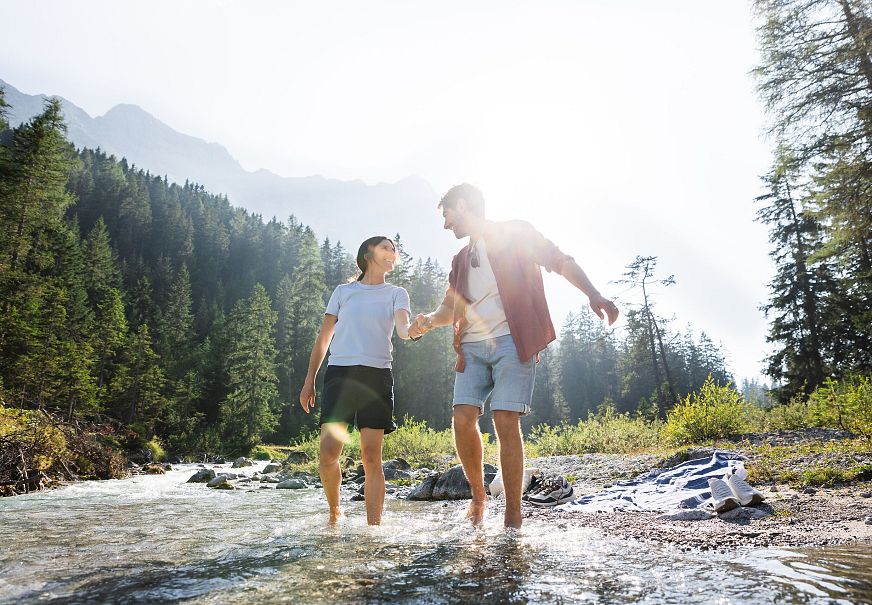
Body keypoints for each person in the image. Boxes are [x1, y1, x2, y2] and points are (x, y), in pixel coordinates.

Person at [413, 184, 619, 528]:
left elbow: (559, 260)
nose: (446, 224)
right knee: (462, 418)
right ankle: (479, 498)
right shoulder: (461, 259)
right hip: (472, 349)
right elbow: (451, 305)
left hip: (513, 341)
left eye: (447, 215)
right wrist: (430, 322)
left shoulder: (515, 233)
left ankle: (512, 516)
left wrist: (593, 294)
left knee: (505, 420)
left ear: (462, 206)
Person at [299, 236, 424, 526]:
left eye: (395, 249)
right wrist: (309, 381)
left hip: (376, 376)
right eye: (386, 247)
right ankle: (334, 513)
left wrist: (416, 330)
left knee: (371, 456)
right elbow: (323, 338)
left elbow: (404, 330)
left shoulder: (397, 293)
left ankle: (373, 528)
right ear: (368, 253)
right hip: (339, 375)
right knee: (328, 455)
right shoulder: (343, 292)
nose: (392, 252)